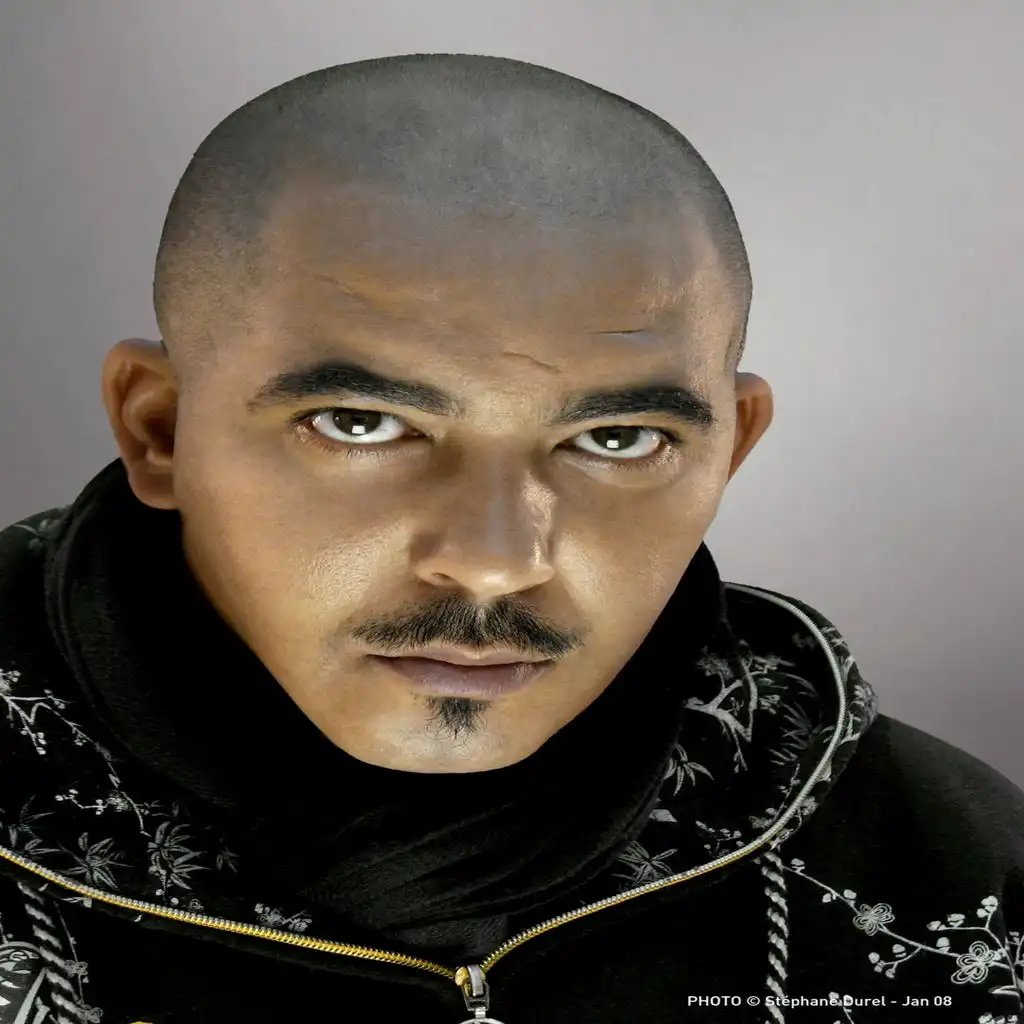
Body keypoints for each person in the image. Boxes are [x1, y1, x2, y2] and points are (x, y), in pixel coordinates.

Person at [0, 53, 1020, 1024]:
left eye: (617, 439)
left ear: (729, 451)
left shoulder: (947, 876)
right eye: (361, 423)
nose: (495, 560)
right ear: (161, 428)